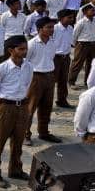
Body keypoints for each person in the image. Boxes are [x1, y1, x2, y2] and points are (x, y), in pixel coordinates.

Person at [0, 35, 33, 188]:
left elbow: (27, 84)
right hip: (4, 107)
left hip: (22, 107)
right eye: (21, 49)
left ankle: (15, 170)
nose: (24, 51)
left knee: (18, 141)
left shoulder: (28, 66)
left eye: (25, 48)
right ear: (11, 50)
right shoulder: (0, 69)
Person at [25, 17, 61, 145]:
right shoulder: (32, 44)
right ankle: (25, 134)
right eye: (49, 27)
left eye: (52, 27)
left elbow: (51, 58)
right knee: (30, 107)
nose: (52, 30)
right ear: (40, 29)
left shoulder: (52, 42)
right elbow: (26, 62)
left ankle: (43, 132)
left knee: (47, 106)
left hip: (49, 76)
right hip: (36, 77)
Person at [53, 9, 74, 108]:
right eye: (69, 17)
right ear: (61, 18)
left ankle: (62, 100)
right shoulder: (54, 29)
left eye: (72, 17)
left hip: (66, 57)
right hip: (55, 58)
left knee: (63, 80)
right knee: (51, 81)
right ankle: (46, 103)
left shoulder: (70, 28)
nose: (71, 19)